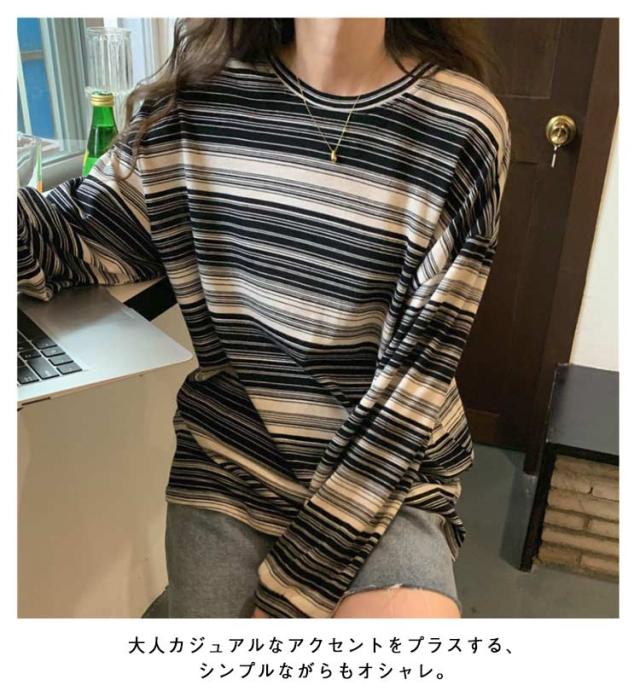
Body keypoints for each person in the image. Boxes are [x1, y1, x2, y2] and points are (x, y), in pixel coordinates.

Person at [17, 18, 511, 618]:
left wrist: (295, 592)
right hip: (231, 457)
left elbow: (415, 384)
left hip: (387, 470)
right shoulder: (190, 105)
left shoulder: (462, 126)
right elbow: (77, 235)